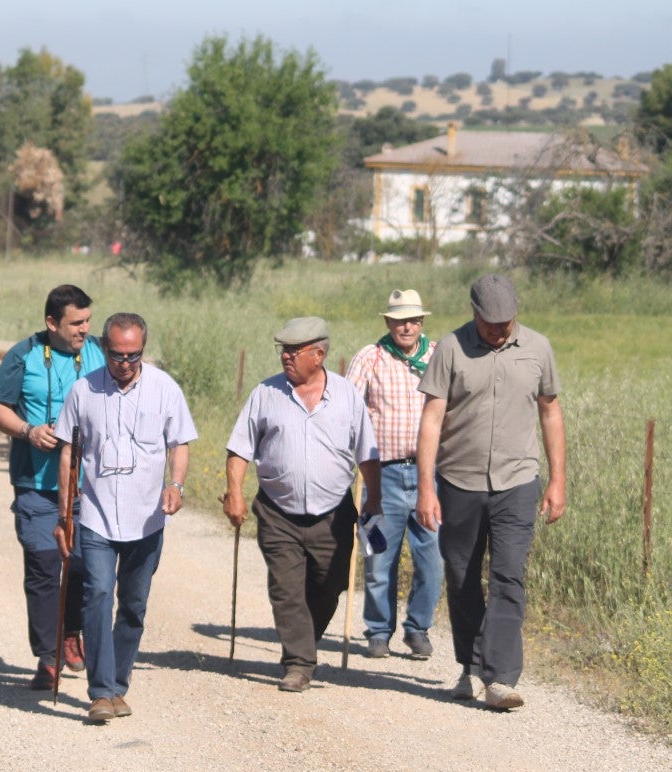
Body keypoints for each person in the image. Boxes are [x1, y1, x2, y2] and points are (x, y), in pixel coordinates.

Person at [415, 274, 566, 710]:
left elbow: (551, 410)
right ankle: (469, 664)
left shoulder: (538, 348)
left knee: (509, 575)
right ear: (474, 313)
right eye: (490, 324)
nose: (499, 331)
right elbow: (431, 420)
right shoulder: (450, 348)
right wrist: (427, 488)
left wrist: (557, 479)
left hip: (517, 481)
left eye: (506, 323)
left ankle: (498, 678)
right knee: (461, 576)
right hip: (459, 481)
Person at [223, 317, 381, 693]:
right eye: (284, 350)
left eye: (295, 351)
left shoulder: (346, 396)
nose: (286, 357)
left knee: (329, 585)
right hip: (278, 511)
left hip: (333, 513)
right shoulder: (266, 394)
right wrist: (235, 493)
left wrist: (374, 498)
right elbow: (239, 448)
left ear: (319, 354)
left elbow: (368, 455)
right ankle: (298, 663)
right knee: (287, 588)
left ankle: (302, 645)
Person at [53, 313, 196, 722]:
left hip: (147, 518)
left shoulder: (165, 389)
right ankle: (99, 693)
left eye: (133, 356)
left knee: (133, 605)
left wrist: (177, 485)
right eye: (117, 355)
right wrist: (66, 511)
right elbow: (68, 453)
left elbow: (180, 442)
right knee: (97, 595)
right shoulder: (83, 391)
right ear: (103, 348)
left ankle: (118, 685)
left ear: (143, 350)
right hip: (96, 515)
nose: (125, 364)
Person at [0, 284, 106, 689]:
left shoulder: (100, 353)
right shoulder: (23, 355)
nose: (84, 329)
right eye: (76, 322)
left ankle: (71, 630)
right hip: (35, 483)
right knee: (42, 565)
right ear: (51, 322)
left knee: (82, 565)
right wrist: (28, 430)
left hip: (87, 484)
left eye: (88, 320)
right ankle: (48, 655)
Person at [344, 289, 443, 660]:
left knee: (432, 559)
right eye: (400, 319)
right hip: (378, 474)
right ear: (387, 321)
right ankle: (378, 631)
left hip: (427, 476)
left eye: (414, 319)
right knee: (377, 559)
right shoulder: (370, 358)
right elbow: (347, 410)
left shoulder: (436, 357)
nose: (408, 326)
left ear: (422, 322)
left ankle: (418, 629)